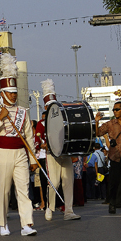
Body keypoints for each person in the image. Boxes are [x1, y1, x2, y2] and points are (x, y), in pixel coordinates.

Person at [0, 53, 37, 236]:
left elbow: (29, 137)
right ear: (3, 94)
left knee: (23, 189)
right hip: (3, 153)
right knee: (4, 190)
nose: (13, 96)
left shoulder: (23, 111)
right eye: (10, 93)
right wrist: (0, 118)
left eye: (15, 93)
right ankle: (3, 223)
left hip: (20, 153)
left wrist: (33, 159)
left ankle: (26, 224)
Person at [39, 79, 81, 221]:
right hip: (52, 155)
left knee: (68, 182)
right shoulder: (41, 123)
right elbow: (38, 141)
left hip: (65, 153)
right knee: (54, 182)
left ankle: (68, 211)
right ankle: (50, 208)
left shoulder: (64, 118)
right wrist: (43, 145)